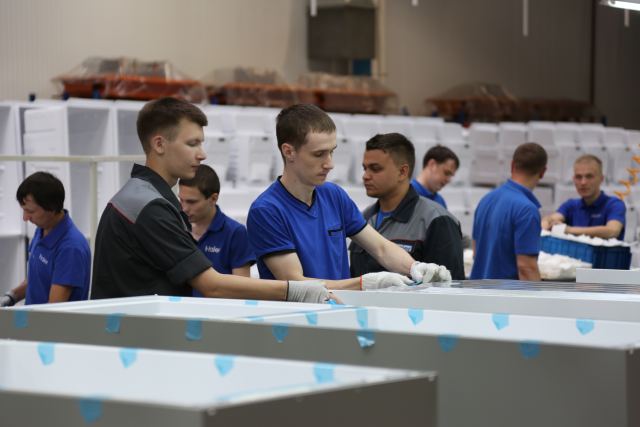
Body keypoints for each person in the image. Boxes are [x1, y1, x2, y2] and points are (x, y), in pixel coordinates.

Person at [90, 97, 330, 304]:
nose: (202, 154)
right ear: (159, 144)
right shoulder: (149, 207)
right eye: (192, 144)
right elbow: (212, 285)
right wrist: (295, 290)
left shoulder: (143, 196)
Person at [246, 104, 450, 290]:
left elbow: (381, 248)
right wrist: (362, 284)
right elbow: (296, 283)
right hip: (298, 317)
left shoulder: (333, 195)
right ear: (289, 152)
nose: (330, 164)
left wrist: (415, 267)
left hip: (341, 311)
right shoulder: (267, 210)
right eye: (319, 154)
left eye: (332, 152)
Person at [349, 133, 464, 280]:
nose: (365, 176)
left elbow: (450, 286)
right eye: (365, 168)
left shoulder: (438, 221)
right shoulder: (363, 219)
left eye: (375, 168)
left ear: (402, 172)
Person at [1, 172, 90, 307]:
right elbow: (37, 278)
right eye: (24, 210)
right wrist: (10, 297)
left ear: (52, 208)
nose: (25, 218)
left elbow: (52, 310)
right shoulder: (43, 229)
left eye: (30, 211)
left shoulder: (71, 248)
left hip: (48, 320)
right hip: (34, 318)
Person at [470, 142, 548, 280]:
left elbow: (476, 253)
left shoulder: (486, 200)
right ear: (542, 172)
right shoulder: (527, 211)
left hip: (478, 290)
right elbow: (526, 268)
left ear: (512, 166)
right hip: (505, 293)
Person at [178, 164, 256, 297]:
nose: (184, 208)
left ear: (213, 198)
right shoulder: (176, 228)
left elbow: (242, 291)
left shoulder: (235, 233)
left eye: (192, 202)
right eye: (181, 200)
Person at [542, 154, 625, 240]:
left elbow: (612, 231)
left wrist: (568, 230)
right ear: (573, 179)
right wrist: (546, 222)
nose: (583, 182)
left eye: (589, 176)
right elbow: (552, 219)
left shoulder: (614, 204)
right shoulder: (571, 205)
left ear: (601, 179)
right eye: (578, 177)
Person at [411, 145, 460, 209]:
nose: (448, 180)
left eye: (451, 176)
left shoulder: (440, 201)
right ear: (432, 164)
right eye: (446, 173)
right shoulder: (404, 194)